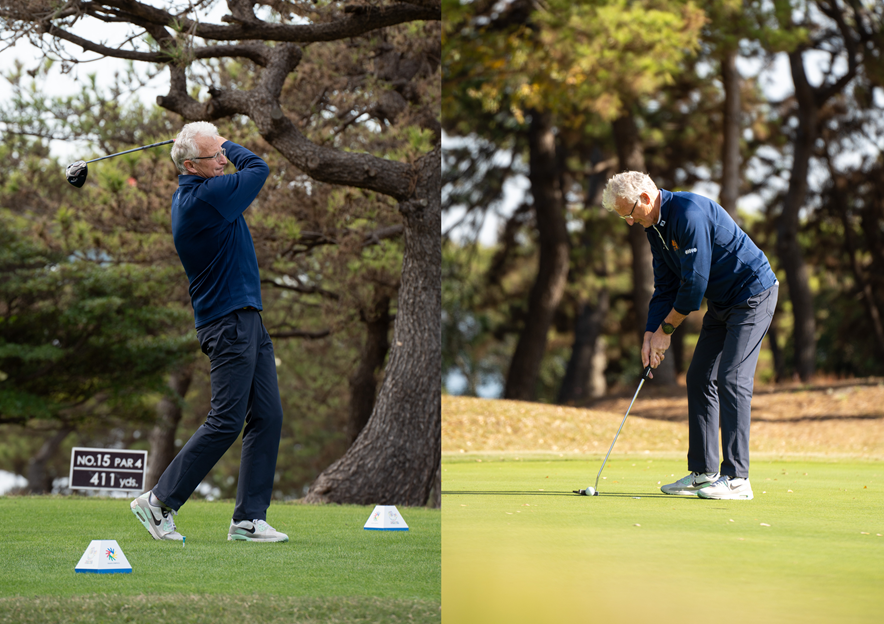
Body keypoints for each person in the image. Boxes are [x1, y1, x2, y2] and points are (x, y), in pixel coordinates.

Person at [130, 121, 288, 541]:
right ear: (189, 166)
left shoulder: (199, 193)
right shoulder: (206, 197)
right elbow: (258, 168)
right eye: (213, 155)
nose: (222, 160)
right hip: (228, 322)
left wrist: (211, 144)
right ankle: (158, 500)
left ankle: (248, 519)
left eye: (221, 153)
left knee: (268, 415)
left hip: (246, 319)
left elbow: (241, 169)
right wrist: (228, 142)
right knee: (226, 420)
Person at [602, 171, 778, 501]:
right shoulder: (654, 227)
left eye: (629, 213)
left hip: (753, 294)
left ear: (645, 198)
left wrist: (666, 331)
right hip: (723, 302)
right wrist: (650, 334)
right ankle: (704, 472)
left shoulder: (688, 214)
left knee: (732, 378)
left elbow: (694, 285)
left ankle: (737, 479)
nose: (629, 222)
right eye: (624, 217)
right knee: (699, 377)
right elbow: (665, 286)